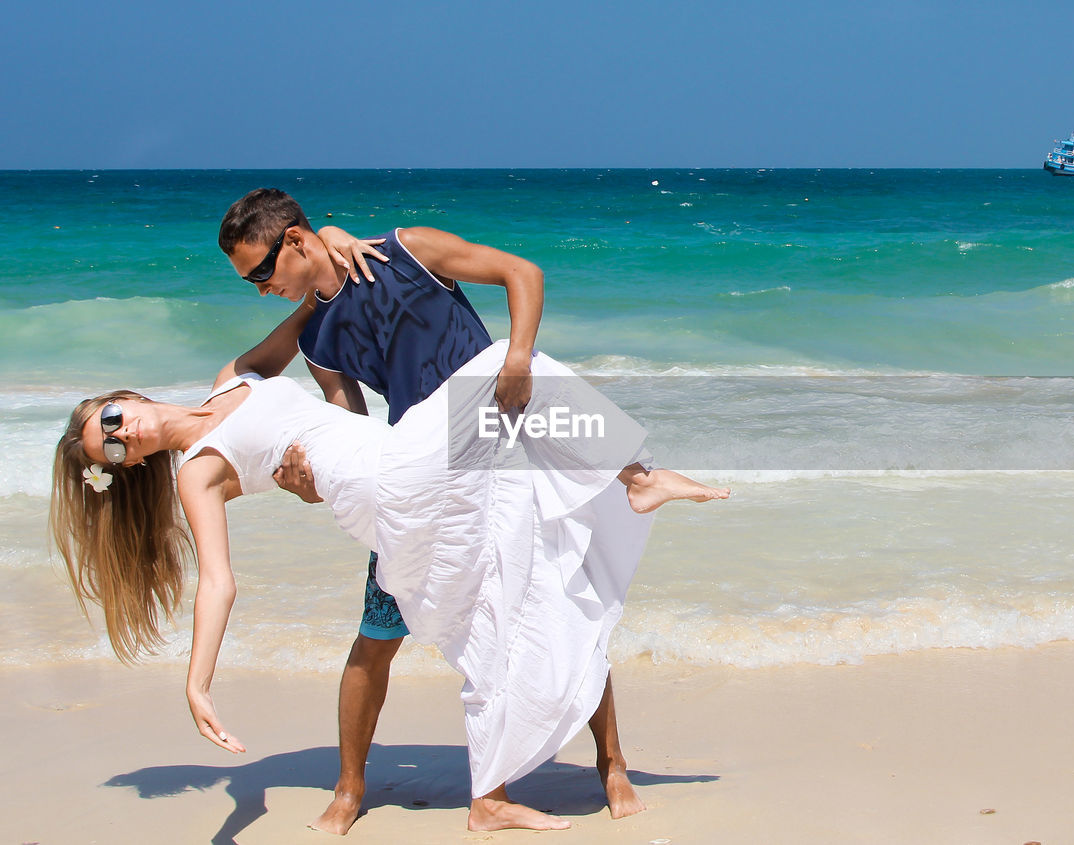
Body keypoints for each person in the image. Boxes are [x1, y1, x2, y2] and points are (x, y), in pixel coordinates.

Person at [50, 314, 730, 831]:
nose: (122, 434)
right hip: (382, 486)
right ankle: (636, 478)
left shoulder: (236, 376)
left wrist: (340, 244)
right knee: (502, 364)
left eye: (112, 420)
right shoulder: (197, 471)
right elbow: (218, 581)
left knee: (501, 603)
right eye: (111, 449)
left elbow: (309, 311)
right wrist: (197, 680)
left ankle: (489, 795)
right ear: (127, 467)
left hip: (400, 457)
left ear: (123, 396)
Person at [217, 188, 643, 833]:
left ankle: (612, 765)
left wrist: (520, 356)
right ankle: (349, 787)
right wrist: (316, 473)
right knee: (378, 633)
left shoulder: (406, 250)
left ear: (297, 241)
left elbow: (521, 272)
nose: (258, 288)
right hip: (419, 482)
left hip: (501, 459)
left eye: (260, 272)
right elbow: (350, 423)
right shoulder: (318, 338)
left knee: (556, 609)